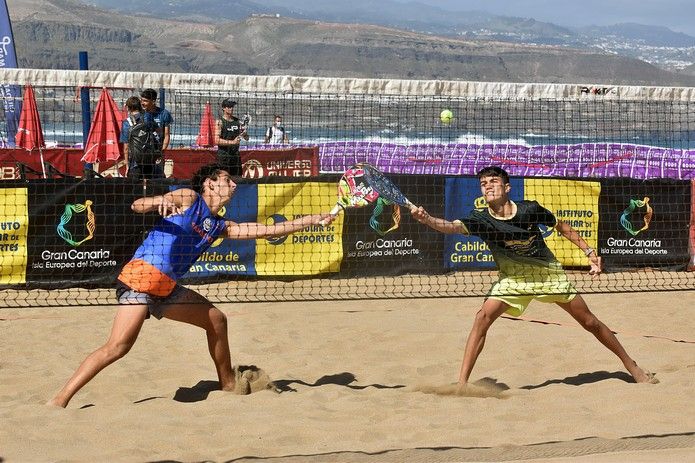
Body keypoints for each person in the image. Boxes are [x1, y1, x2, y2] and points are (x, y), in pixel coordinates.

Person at [47, 164, 334, 408]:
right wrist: (159, 201)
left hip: (167, 289)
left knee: (217, 321)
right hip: (140, 279)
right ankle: (59, 400)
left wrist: (311, 219)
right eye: (227, 180)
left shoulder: (220, 225)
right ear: (209, 184)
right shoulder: (189, 197)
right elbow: (137, 205)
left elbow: (268, 230)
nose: (233, 185)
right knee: (117, 347)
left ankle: (228, 383)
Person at [410, 166, 658, 386]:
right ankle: (462, 383)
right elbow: (450, 227)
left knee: (590, 322)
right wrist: (427, 219)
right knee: (482, 318)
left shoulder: (529, 209)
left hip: (547, 275)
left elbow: (561, 227)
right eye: (483, 184)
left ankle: (631, 365)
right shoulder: (480, 219)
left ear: (507, 187)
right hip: (513, 280)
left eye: (493, 181)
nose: (488, 186)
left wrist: (589, 252)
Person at [214, 98, 249, 176]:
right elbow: (216, 140)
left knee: (238, 180)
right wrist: (232, 142)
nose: (231, 108)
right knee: (224, 180)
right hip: (224, 157)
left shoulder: (237, 121)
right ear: (223, 108)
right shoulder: (220, 122)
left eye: (232, 106)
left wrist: (245, 133)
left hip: (235, 156)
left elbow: (247, 138)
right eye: (229, 106)